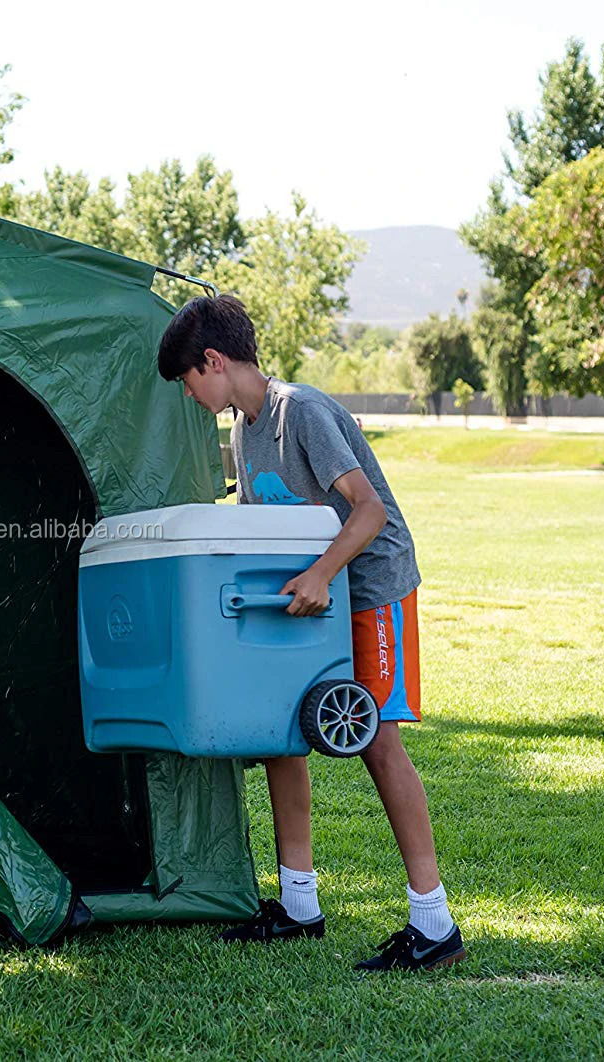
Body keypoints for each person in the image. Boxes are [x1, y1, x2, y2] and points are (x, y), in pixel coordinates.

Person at [157, 293, 465, 973]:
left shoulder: (304, 411)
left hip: (370, 587)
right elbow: (257, 522)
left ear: (213, 360)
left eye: (188, 380)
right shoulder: (244, 429)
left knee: (377, 741)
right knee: (279, 733)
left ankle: (434, 922)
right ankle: (299, 906)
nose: (190, 394)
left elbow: (369, 510)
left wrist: (325, 573)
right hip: (305, 596)